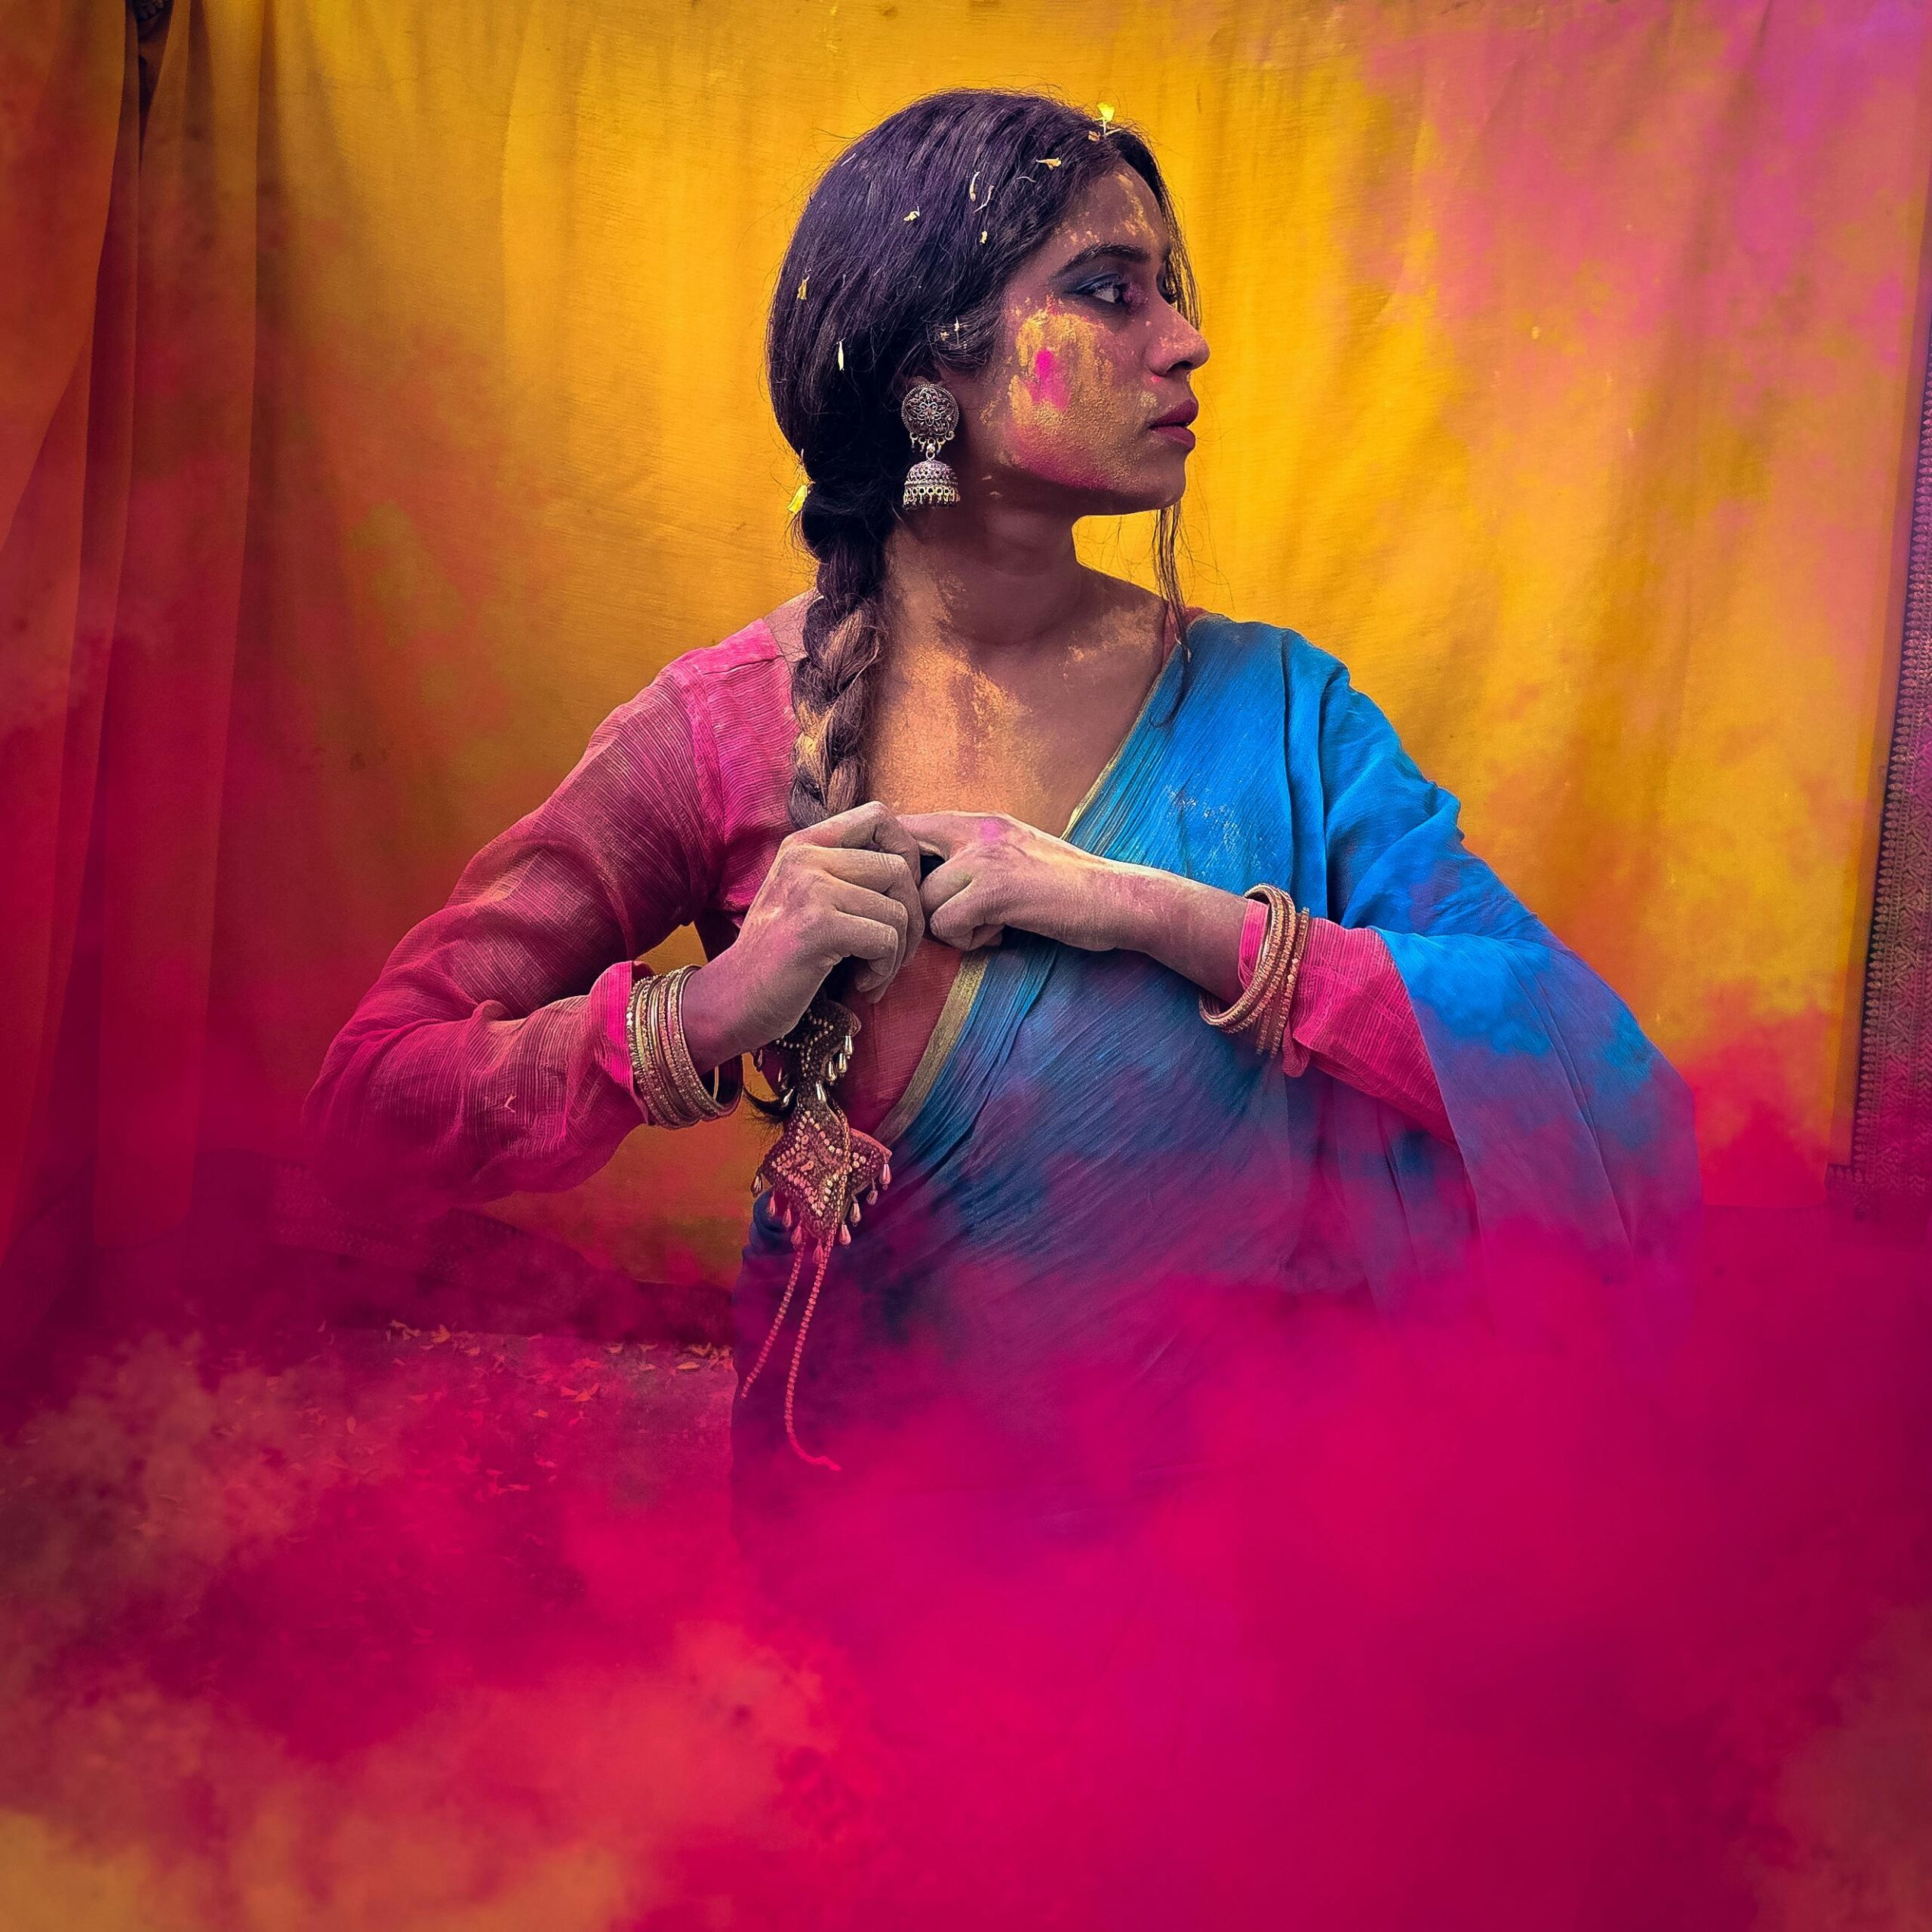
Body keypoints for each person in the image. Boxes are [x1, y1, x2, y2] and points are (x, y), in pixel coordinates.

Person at [304, 88, 1700, 1589]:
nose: (1182, 338)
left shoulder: (1288, 714)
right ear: (931, 377)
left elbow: (1603, 1097)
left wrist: (1169, 918)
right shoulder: (713, 733)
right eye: (1107, 290)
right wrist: (698, 1014)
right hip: (883, 1597)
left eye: (1170, 287)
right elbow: (367, 1107)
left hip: (1258, 1602)